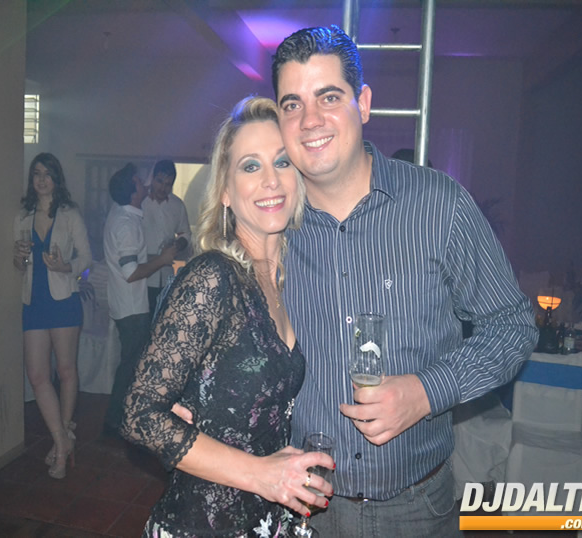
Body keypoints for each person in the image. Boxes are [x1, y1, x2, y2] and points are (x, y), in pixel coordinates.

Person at [271, 26, 538, 537]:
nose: (310, 120)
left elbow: (513, 325)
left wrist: (426, 392)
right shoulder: (272, 223)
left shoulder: (440, 206)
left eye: (329, 97)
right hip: (305, 508)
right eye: (292, 105)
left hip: (416, 508)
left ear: (363, 103)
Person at [121, 96, 334, 538]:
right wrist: (261, 474)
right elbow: (140, 415)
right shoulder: (213, 277)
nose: (271, 180)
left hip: (266, 521)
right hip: (201, 524)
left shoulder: (288, 280)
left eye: (282, 162)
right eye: (250, 166)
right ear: (225, 190)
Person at [13, 152, 92, 480]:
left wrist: (66, 266)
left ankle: (64, 437)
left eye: (47, 174)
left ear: (56, 179)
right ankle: (61, 441)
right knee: (36, 375)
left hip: (63, 301)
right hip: (34, 301)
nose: (41, 179)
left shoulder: (70, 214)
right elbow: (19, 264)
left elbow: (86, 258)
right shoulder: (23, 216)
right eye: (36, 173)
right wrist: (18, 257)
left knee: (65, 370)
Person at [102, 163, 178, 435]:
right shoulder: (126, 224)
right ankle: (116, 421)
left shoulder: (123, 214)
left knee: (131, 363)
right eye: (138, 181)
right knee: (130, 366)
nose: (145, 184)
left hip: (126, 303)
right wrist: (163, 260)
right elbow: (131, 272)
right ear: (132, 191)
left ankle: (118, 419)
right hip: (132, 306)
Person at [141, 159, 192, 318]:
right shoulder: (140, 203)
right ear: (152, 179)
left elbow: (185, 234)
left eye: (168, 184)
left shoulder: (177, 205)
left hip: (166, 275)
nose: (163, 188)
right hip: (142, 275)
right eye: (160, 182)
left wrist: (178, 245)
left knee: (162, 319)